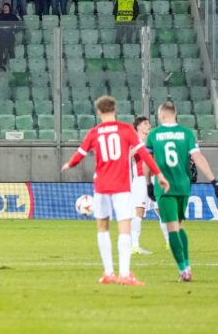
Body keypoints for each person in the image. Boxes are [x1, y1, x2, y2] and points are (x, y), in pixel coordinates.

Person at [61, 96, 169, 286]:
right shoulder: (126, 129)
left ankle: (109, 273)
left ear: (98, 112)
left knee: (102, 227)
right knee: (124, 227)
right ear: (115, 110)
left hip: (101, 185)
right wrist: (158, 174)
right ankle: (125, 274)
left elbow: (80, 154)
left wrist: (69, 164)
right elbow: (144, 153)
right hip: (121, 185)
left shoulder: (94, 132)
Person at [147, 101, 218, 282]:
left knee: (171, 229)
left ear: (162, 115)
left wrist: (148, 183)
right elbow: (198, 157)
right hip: (183, 186)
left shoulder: (154, 134)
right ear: (175, 114)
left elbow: (149, 161)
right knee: (180, 226)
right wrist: (213, 180)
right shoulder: (187, 134)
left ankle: (184, 270)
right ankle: (187, 265)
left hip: (164, 187)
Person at [129, 116, 168, 256]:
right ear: (138, 127)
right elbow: (129, 155)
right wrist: (140, 145)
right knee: (138, 211)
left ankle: (169, 243)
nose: (149, 126)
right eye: (146, 124)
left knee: (162, 211)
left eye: (149, 124)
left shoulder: (153, 141)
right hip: (140, 180)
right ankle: (135, 245)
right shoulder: (134, 141)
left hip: (154, 180)